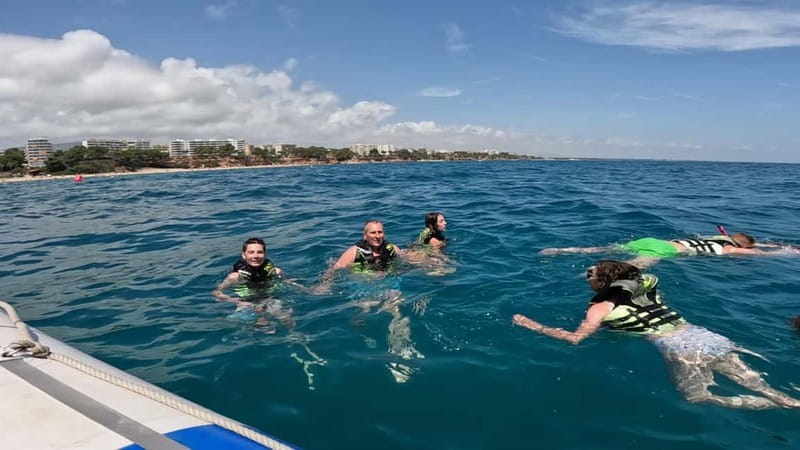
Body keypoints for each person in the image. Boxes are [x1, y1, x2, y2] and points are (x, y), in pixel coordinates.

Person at [512, 260, 800, 409]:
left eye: (591, 272)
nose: (587, 276)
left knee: (697, 397)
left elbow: (575, 339)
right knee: (759, 383)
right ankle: (784, 400)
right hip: (707, 336)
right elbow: (641, 277)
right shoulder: (646, 291)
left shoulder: (599, 308)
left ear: (603, 280)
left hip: (681, 348)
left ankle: (771, 404)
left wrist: (533, 325)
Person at [315, 220, 423, 382]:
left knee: (396, 310)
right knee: (363, 312)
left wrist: (432, 262)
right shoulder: (353, 252)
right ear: (365, 235)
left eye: (380, 232)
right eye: (373, 232)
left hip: (389, 285)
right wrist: (324, 285)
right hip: (361, 287)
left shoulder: (391, 249)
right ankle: (367, 339)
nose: (377, 236)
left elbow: (408, 260)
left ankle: (401, 349)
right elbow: (334, 270)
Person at [540, 232, 794, 267]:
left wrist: (759, 242)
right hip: (664, 252)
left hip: (654, 241)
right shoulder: (731, 251)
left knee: (599, 248)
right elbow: (762, 252)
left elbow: (751, 242)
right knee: (632, 269)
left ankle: (561, 250)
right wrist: (789, 251)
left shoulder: (717, 237)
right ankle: (593, 274)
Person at [213, 237, 294, 331]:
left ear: (265, 254)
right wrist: (231, 299)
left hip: (269, 298)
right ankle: (258, 325)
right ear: (244, 255)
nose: (256, 256)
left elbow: (285, 282)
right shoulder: (235, 277)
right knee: (238, 322)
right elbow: (217, 292)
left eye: (260, 252)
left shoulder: (276, 271)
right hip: (247, 302)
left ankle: (294, 335)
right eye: (251, 252)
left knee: (286, 319)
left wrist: (301, 287)